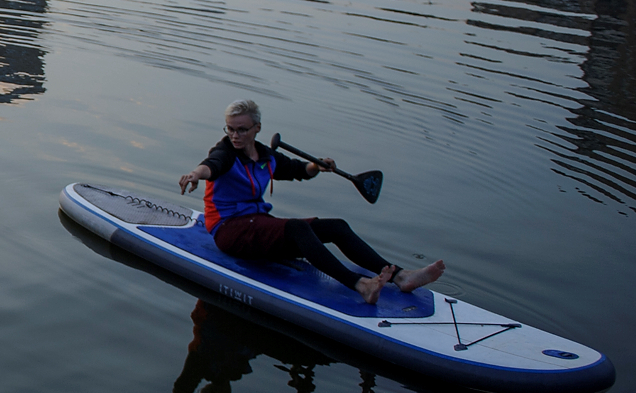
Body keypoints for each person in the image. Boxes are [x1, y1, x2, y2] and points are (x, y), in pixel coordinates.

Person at [178, 99, 444, 305]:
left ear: (257, 128)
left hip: (257, 223)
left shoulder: (267, 157)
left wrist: (316, 166)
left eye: (242, 130)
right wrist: (194, 174)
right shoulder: (224, 153)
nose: (235, 136)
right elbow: (211, 166)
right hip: (229, 230)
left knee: (337, 226)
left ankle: (401, 276)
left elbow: (296, 170)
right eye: (230, 129)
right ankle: (361, 285)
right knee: (297, 228)